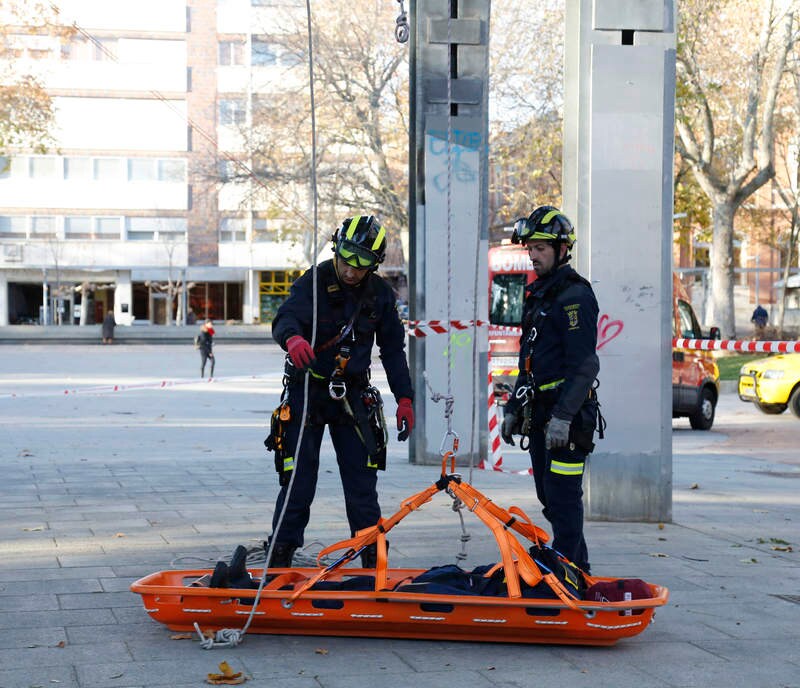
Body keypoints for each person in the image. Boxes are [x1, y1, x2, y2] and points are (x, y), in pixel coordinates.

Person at [265, 214, 414, 569]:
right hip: (308, 391)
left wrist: (405, 398)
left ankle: (372, 564)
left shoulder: (380, 296)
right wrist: (293, 338)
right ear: (336, 247)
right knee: (299, 481)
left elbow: (392, 350)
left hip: (352, 395)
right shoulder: (314, 282)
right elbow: (284, 318)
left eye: (362, 262)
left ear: (375, 263)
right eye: (346, 256)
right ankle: (280, 557)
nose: (350, 269)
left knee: (362, 486)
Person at [499, 206, 600, 573]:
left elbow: (586, 365)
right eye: (530, 247)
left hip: (567, 419)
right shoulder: (540, 294)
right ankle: (578, 572)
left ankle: (569, 574)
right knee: (549, 497)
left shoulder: (575, 297)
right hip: (539, 413)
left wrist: (562, 417)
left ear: (561, 249)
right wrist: (512, 408)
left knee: (563, 499)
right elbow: (530, 359)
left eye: (541, 247)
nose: (533, 254)